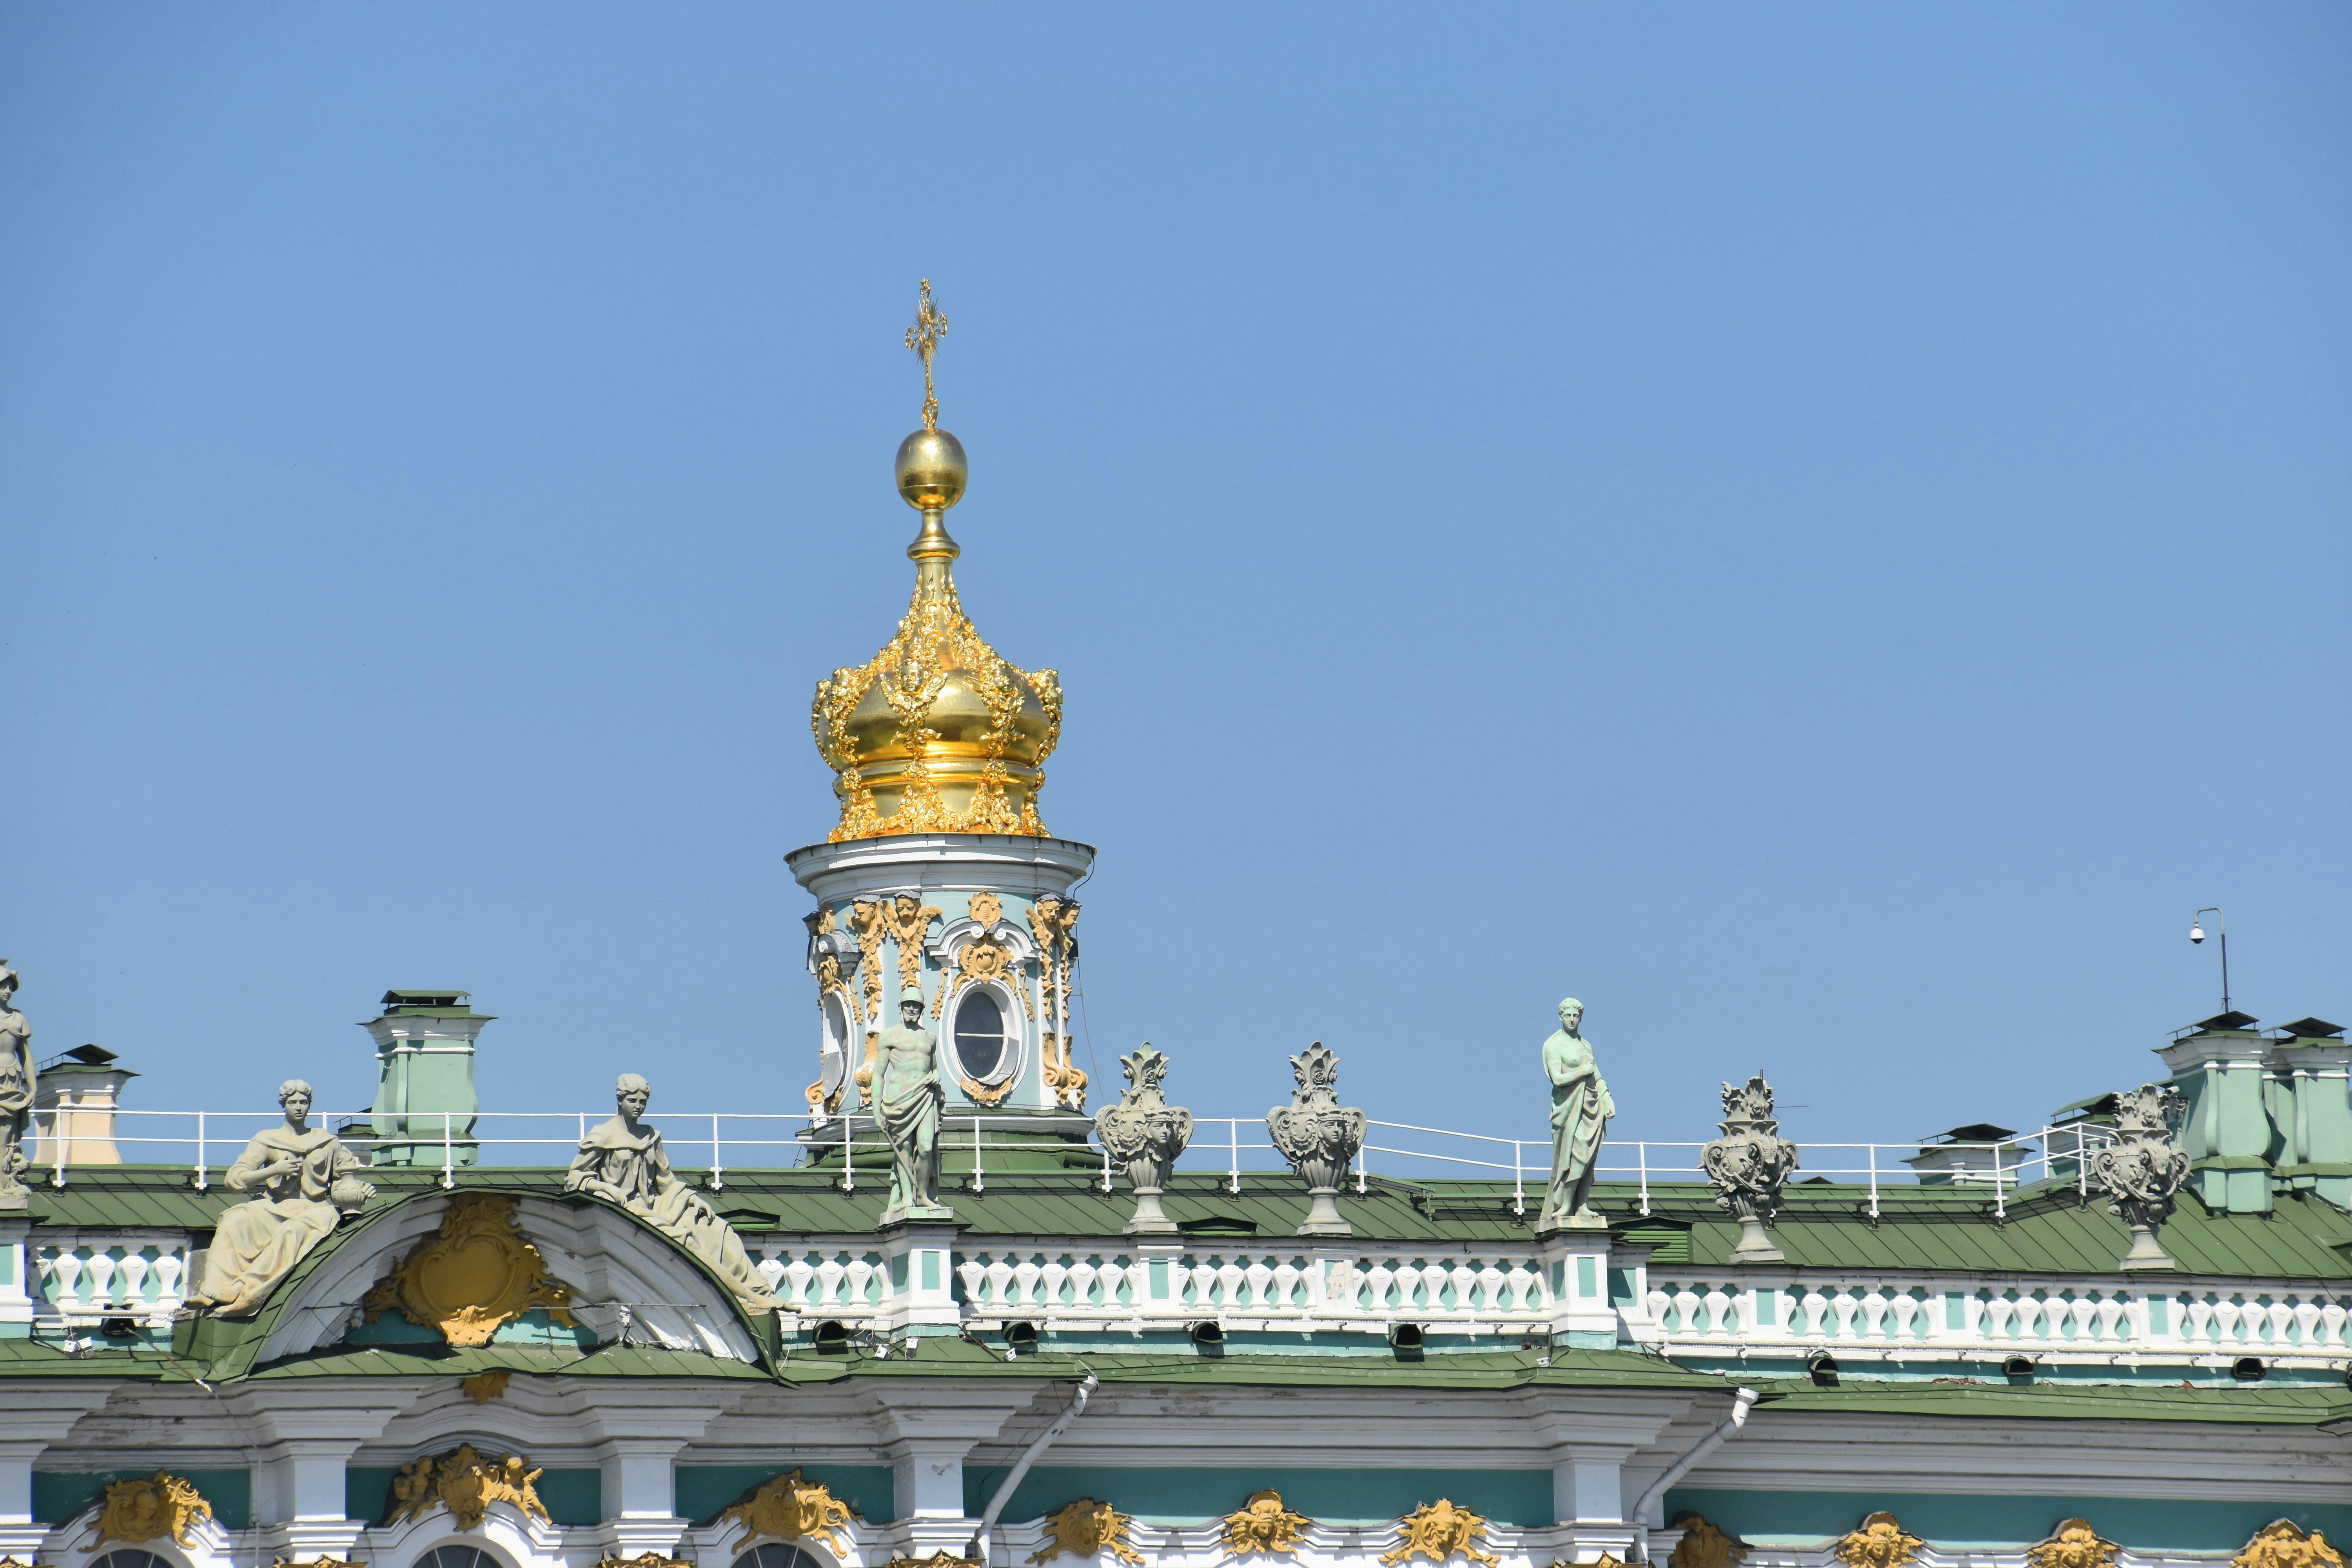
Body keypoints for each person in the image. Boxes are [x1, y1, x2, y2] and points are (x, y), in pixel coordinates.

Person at [564, 1074, 780, 1311]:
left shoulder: (651, 1136)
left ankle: (761, 1291)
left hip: (653, 1204)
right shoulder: (602, 1135)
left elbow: (666, 1180)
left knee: (717, 1228)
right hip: (625, 1210)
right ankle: (743, 1298)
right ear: (620, 1100)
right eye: (633, 1101)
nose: (638, 1107)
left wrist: (692, 1199)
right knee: (684, 1241)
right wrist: (605, 1187)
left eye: (643, 1102)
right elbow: (574, 1179)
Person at [188, 1079, 375, 1316]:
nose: (299, 1107)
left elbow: (344, 1181)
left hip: (314, 1209)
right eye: (293, 1102)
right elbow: (235, 1181)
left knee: (293, 1231)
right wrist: (274, 1170)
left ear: (310, 1105)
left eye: (304, 1102)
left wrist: (360, 1190)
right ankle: (215, 1289)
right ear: (283, 1105)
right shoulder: (267, 1139)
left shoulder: (328, 1142)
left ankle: (243, 1289)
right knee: (234, 1219)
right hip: (272, 1207)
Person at [869, 985, 951, 1222]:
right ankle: (907, 1198)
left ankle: (923, 1195)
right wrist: (876, 1110)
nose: (911, 1009)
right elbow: (878, 1075)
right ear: (901, 1007)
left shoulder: (930, 1037)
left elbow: (934, 1068)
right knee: (904, 1149)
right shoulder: (889, 1036)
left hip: (924, 1096)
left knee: (926, 1148)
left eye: (916, 1005)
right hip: (898, 1101)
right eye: (908, 1005)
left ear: (922, 1009)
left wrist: (936, 1076)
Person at [1539, 997, 1615, 1231]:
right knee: (1572, 1157)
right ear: (1560, 1017)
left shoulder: (1586, 1045)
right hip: (1569, 1109)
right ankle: (1564, 1205)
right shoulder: (1553, 1045)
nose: (1572, 1020)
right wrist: (1583, 1071)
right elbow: (1558, 1079)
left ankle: (1582, 1205)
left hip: (1592, 1108)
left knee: (1588, 1157)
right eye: (1568, 1016)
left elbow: (1597, 1076)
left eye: (1576, 1016)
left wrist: (1607, 1098)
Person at [0, 962, 33, 1205]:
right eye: (3, 986)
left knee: (8, 1135)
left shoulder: (18, 1018)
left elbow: (26, 1056)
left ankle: (5, 1182)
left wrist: (33, 1088)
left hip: (13, 1080)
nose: (8, 991)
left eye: (10, 987)